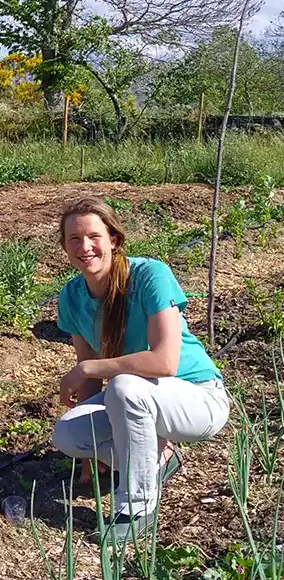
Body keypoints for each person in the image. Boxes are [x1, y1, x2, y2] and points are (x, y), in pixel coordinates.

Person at [51, 197, 229, 544]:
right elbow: (90, 379)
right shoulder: (71, 296)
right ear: (64, 246)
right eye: (74, 239)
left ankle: (136, 508)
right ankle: (160, 458)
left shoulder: (150, 275)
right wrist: (89, 454)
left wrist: (88, 367)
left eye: (94, 236)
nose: (84, 247)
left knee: (124, 388)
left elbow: (164, 362)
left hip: (197, 396)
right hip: (138, 396)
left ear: (113, 239)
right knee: (69, 435)